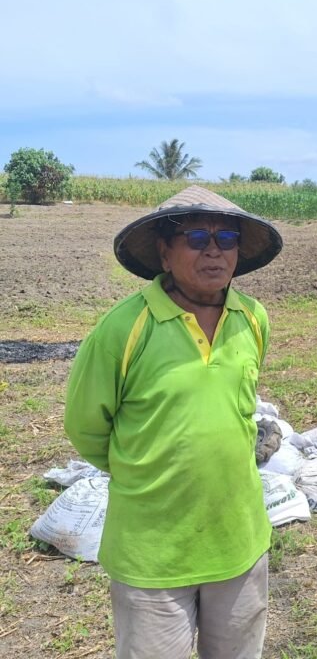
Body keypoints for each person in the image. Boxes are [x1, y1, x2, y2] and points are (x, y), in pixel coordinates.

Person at [64, 185, 283, 659]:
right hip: (152, 550)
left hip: (238, 540)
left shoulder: (253, 318)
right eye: (196, 237)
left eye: (226, 237)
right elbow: (86, 427)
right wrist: (149, 471)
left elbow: (239, 411)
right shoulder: (124, 328)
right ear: (165, 252)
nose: (213, 249)